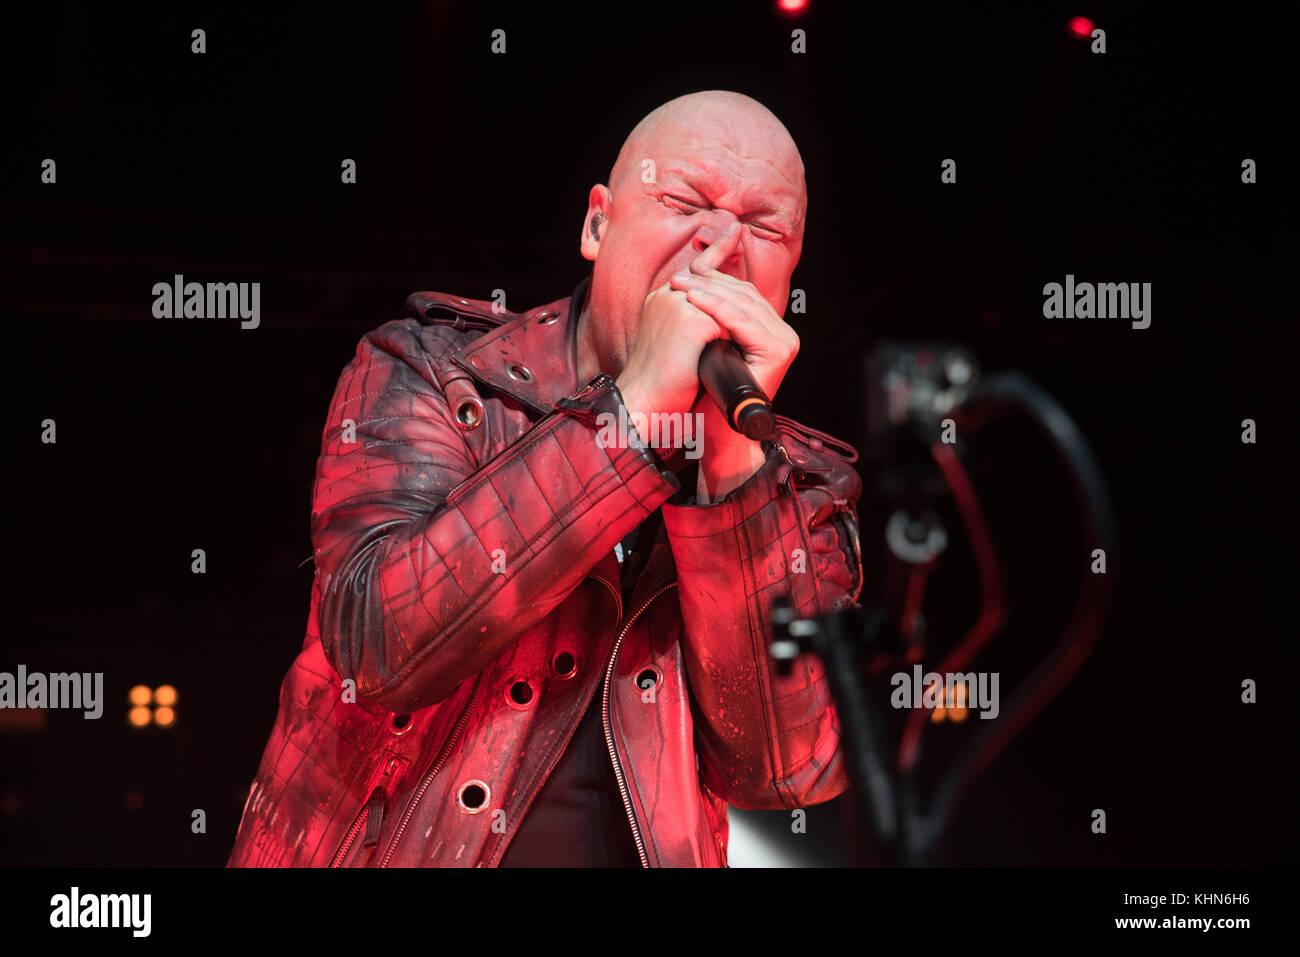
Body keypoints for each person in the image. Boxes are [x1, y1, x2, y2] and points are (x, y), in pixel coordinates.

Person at [227, 90, 863, 868]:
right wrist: (630, 420)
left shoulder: (799, 482)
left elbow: (785, 770)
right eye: (685, 201)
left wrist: (732, 472)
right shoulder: (435, 373)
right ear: (598, 224)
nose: (723, 250)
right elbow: (377, 647)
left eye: (765, 227)